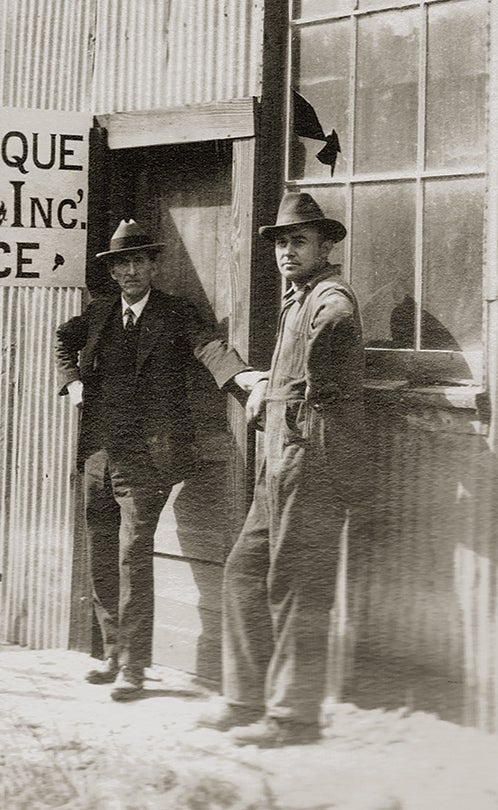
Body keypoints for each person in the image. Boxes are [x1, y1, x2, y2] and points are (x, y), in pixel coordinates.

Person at [55, 219, 262, 701]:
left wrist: (243, 377)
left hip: (147, 459)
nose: (129, 271)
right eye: (120, 263)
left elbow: (210, 348)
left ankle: (135, 666)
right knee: (103, 550)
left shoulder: (176, 313)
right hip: (99, 454)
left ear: (153, 265)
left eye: (137, 261)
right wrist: (72, 381)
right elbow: (64, 338)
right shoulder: (100, 312)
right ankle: (111, 653)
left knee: (132, 554)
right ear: (111, 272)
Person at [197, 192, 365, 746]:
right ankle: (245, 698)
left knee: (297, 585)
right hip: (280, 460)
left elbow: (338, 324)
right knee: (245, 573)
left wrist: (301, 393)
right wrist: (268, 385)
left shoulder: (329, 296)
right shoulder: (296, 299)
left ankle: (293, 717)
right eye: (283, 243)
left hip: (312, 458)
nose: (288, 251)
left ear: (324, 246)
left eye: (300, 241)